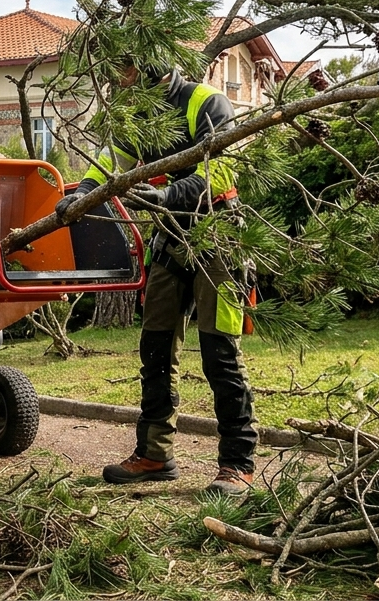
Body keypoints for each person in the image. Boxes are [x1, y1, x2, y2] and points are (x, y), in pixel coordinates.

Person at [54, 69, 257, 496]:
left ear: (155, 65)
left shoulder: (206, 101)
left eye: (129, 68)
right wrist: (84, 192)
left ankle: (237, 463)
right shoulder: (138, 112)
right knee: (156, 347)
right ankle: (154, 454)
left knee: (220, 352)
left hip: (218, 234)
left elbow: (220, 170)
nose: (123, 77)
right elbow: (113, 161)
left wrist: (168, 195)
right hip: (169, 238)